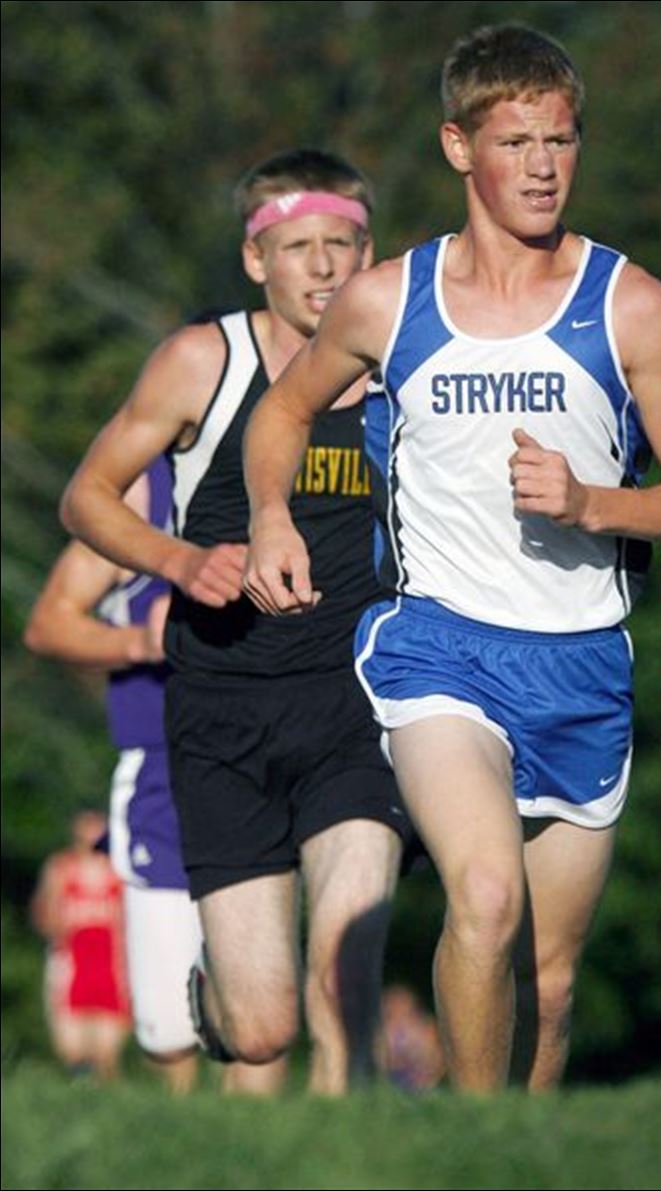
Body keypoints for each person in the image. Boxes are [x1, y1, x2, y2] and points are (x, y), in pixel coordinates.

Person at [241, 25, 661, 1092]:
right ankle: (471, 1144)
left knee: (547, 985)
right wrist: (271, 516)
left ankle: (522, 1147)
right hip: (437, 647)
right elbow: (280, 411)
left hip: (580, 659)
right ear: (459, 147)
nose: (544, 166)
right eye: (516, 142)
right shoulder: (388, 300)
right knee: (483, 895)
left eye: (561, 140)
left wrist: (593, 502)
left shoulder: (629, 305)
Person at [60, 148, 413, 1095]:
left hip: (355, 705)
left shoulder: (402, 370)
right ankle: (217, 1000)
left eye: (343, 244)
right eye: (298, 247)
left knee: (347, 960)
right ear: (257, 259)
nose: (324, 266)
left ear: (369, 251)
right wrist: (178, 560)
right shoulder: (201, 361)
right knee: (261, 1031)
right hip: (222, 711)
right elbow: (86, 497)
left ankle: (355, 1153)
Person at [25, 462, 282, 1095]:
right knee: (168, 1029)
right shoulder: (142, 497)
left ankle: (258, 1138)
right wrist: (141, 641)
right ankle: (185, 1127)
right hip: (162, 772)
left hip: (262, 761)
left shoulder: (280, 475)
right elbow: (49, 622)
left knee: (262, 1002)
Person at [30, 809, 130, 1081]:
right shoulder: (61, 867)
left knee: (106, 1053)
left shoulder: (119, 870)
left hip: (112, 969)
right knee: (71, 1051)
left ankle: (108, 1096)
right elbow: (44, 914)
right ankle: (80, 1090)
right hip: (71, 966)